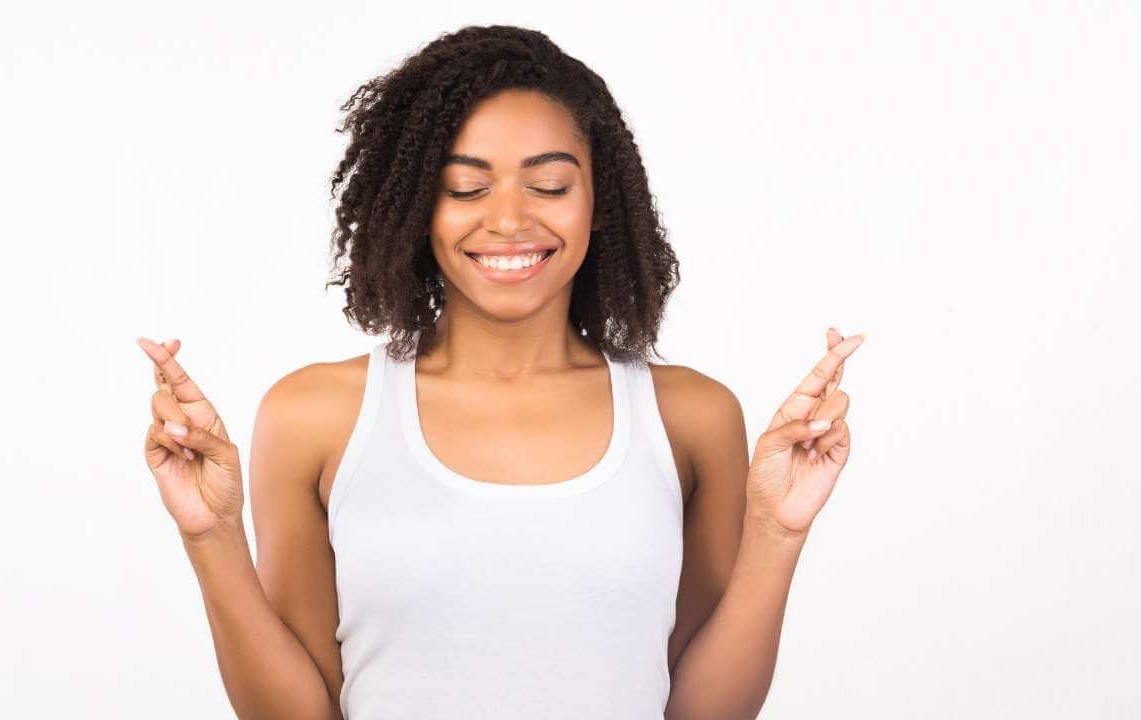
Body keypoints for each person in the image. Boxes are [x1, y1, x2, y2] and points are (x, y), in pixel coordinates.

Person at [136, 24, 864, 720]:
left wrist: (776, 533)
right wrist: (211, 536)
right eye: (465, 188)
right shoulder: (316, 418)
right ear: (419, 206)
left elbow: (702, 712)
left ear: (599, 203)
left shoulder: (691, 419)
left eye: (548, 186)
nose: (509, 220)